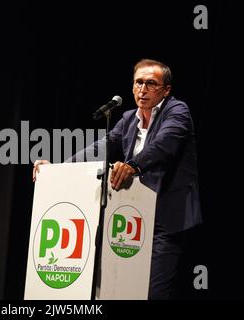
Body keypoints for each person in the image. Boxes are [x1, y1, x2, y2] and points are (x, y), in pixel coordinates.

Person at [33, 59, 202, 299]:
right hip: (131, 216)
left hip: (167, 217)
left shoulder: (177, 111)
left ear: (166, 90)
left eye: (151, 84)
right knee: (123, 288)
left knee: (153, 292)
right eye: (139, 83)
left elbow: (164, 145)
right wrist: (60, 169)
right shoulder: (128, 119)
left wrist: (133, 166)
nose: (143, 89)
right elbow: (101, 147)